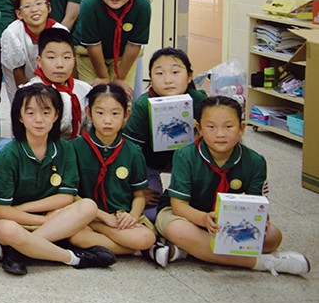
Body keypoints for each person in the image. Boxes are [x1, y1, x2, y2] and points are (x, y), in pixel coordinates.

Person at [153, 96, 310, 275]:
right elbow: (179, 206)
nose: (220, 134)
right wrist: (203, 219)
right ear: (199, 128)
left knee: (272, 237)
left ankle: (192, 249)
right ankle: (263, 262)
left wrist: (259, 220)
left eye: (228, 127)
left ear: (242, 128)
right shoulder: (185, 155)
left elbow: (256, 205)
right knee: (178, 230)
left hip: (228, 222)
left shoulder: (255, 161)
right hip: (187, 216)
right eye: (211, 127)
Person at [0, 83, 116, 276]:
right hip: (19, 221)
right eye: (30, 113)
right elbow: (3, 211)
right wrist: (44, 221)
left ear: (56, 115)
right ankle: (74, 258)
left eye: (46, 112)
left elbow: (66, 197)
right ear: (20, 117)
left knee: (88, 206)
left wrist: (29, 210)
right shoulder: (8, 155)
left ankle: (19, 251)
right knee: (6, 229)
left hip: (53, 216)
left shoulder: (65, 149)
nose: (39, 120)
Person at [70, 83, 156, 256]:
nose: (107, 120)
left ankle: (105, 235)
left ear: (126, 115)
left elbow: (139, 195)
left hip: (121, 217)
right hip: (87, 216)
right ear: (89, 113)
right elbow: (71, 194)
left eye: (115, 113)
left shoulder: (133, 151)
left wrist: (132, 215)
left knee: (146, 238)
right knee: (76, 237)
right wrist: (102, 217)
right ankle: (136, 250)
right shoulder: (74, 148)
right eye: (100, 113)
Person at [122, 48, 209, 217]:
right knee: (150, 215)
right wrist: (137, 188)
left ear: (189, 76)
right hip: (150, 163)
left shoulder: (199, 100)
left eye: (175, 72)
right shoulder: (143, 105)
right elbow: (130, 149)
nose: (168, 80)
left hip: (187, 163)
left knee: (199, 206)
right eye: (159, 73)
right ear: (150, 77)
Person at [76, 0, 151, 85]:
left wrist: (120, 78)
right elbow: (93, 45)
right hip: (89, 55)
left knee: (122, 93)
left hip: (123, 56)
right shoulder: (90, 4)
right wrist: (103, 77)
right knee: (93, 93)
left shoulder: (142, 5)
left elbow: (134, 45)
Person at [27, 27, 92, 141]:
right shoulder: (29, 93)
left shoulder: (85, 90)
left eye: (66, 57)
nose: (60, 64)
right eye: (51, 57)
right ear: (39, 61)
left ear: (73, 60)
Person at [0, 0, 63, 99]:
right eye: (27, 6)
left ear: (48, 7)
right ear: (19, 14)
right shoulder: (12, 33)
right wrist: (26, 97)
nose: (34, 9)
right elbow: (18, 70)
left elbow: (66, 65)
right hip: (20, 80)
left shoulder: (60, 31)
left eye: (39, 3)